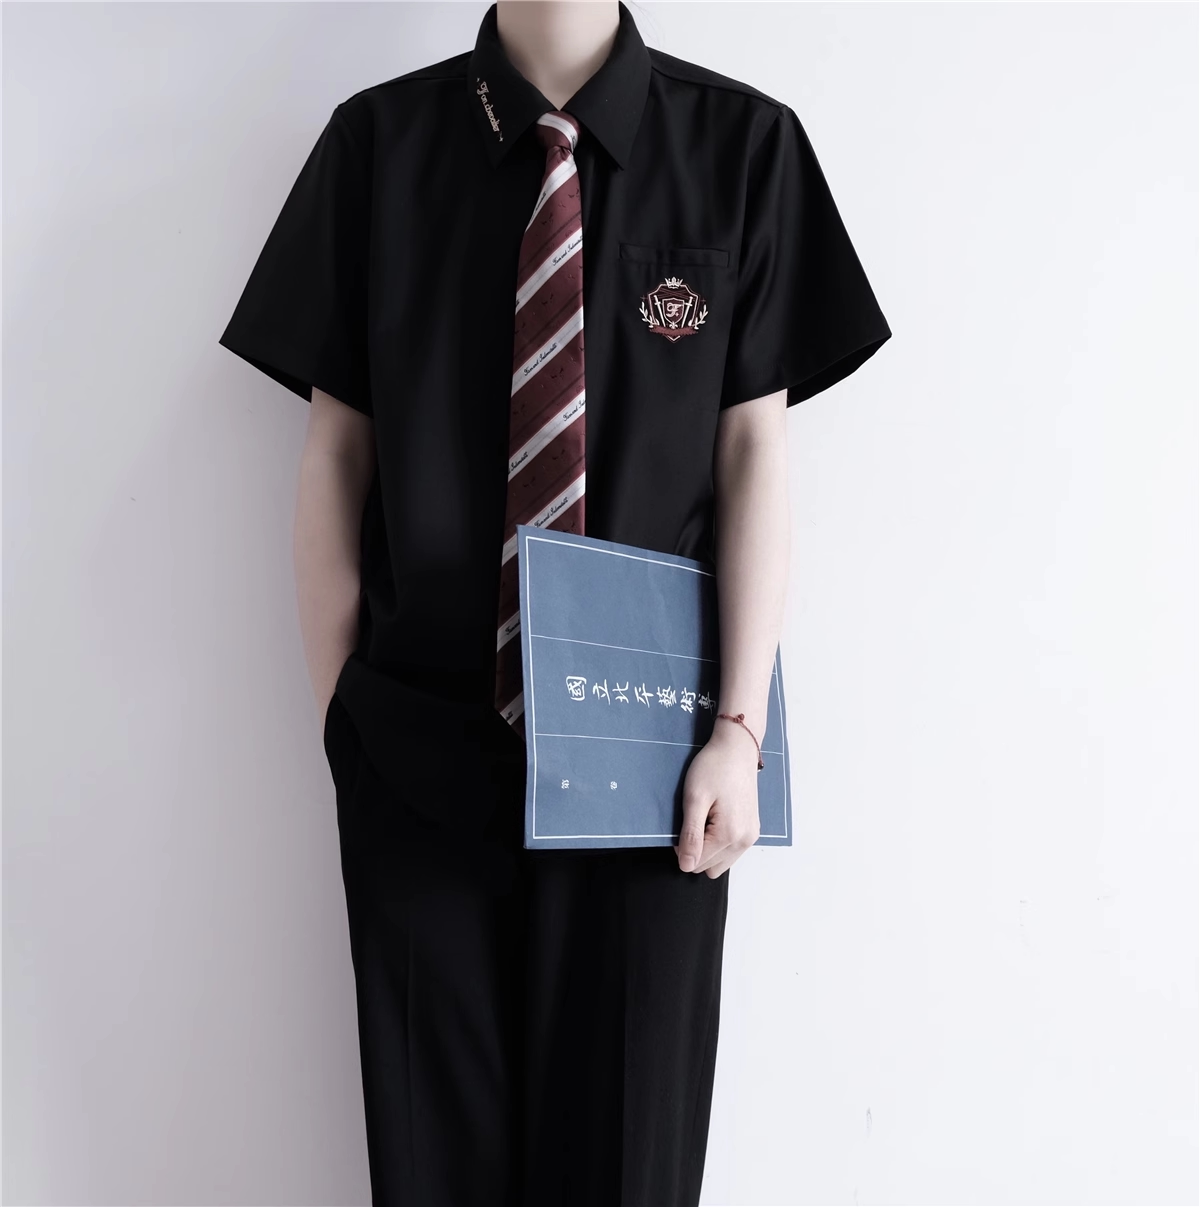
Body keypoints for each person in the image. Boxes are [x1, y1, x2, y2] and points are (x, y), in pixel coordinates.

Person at [219, 2, 891, 1202]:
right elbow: (334, 456)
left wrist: (738, 733)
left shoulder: (743, 147)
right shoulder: (378, 147)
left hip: (653, 778)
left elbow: (754, 457)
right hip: (419, 756)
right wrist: (344, 727)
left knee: (626, 1169)